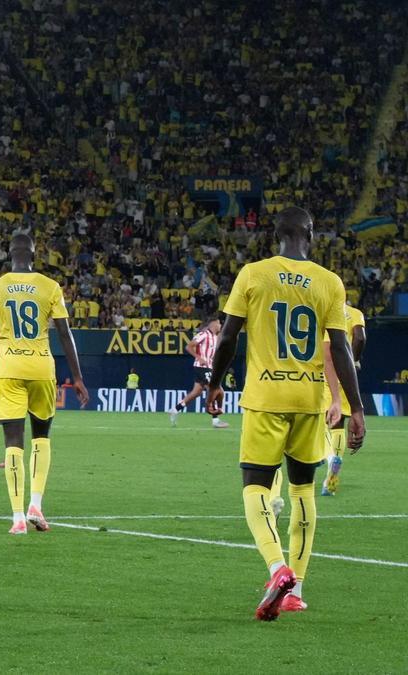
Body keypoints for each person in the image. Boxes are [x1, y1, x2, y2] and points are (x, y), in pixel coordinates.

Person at [206, 206, 364, 621]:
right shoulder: (329, 282)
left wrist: (214, 383)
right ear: (311, 233)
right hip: (310, 400)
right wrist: (357, 407)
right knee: (302, 492)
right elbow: (342, 348)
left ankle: (278, 569)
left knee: (255, 486)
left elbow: (227, 338)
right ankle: (298, 589)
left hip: (265, 397)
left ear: (275, 234)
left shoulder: (254, 274)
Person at [0, 233, 89, 535]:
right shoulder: (49, 286)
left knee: (13, 443)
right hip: (42, 367)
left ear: (9, 254)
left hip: (9, 369)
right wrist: (77, 377)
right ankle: (36, 504)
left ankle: (17, 517)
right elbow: (66, 335)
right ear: (33, 254)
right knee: (42, 437)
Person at [320, 302, 366, 496]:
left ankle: (330, 457)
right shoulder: (356, 313)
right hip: (347, 374)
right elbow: (361, 337)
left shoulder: (327, 312)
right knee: (339, 422)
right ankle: (333, 475)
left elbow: (326, 348)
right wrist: (353, 360)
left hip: (327, 371)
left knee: (321, 422)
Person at [168, 318, 228, 428]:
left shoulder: (215, 337)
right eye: (219, 323)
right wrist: (198, 357)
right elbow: (189, 346)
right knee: (217, 390)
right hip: (201, 367)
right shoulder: (204, 334)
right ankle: (215, 420)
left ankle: (175, 410)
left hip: (208, 368)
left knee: (196, 392)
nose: (220, 325)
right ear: (213, 323)